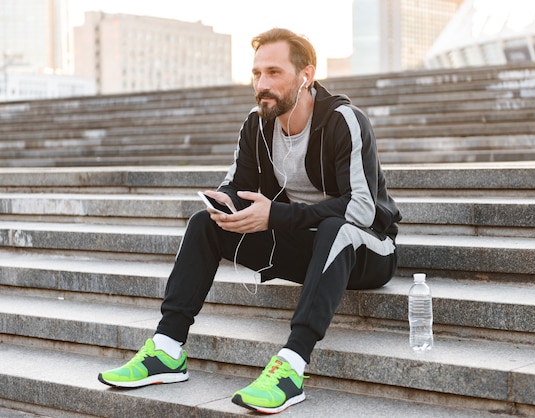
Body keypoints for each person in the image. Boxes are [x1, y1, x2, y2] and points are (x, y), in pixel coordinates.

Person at [97, 27, 401, 414]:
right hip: (305, 250)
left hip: (366, 251)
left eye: (273, 72)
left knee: (335, 228)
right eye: (257, 74)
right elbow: (235, 185)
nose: (262, 84)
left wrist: (276, 215)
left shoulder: (344, 120)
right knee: (204, 224)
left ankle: (291, 366)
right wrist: (224, 203)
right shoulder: (257, 124)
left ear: (305, 74)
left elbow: (363, 210)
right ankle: (167, 350)